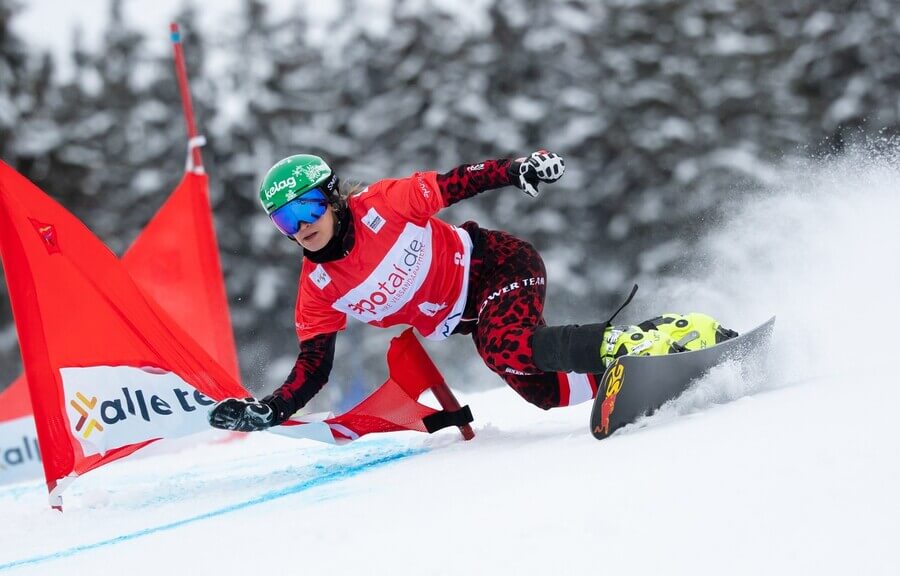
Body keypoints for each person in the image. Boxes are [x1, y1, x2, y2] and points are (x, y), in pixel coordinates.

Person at [208, 152, 737, 432]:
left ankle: (627, 346)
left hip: (497, 264)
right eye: (284, 221)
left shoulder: (382, 205)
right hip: (474, 315)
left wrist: (516, 170)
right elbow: (313, 368)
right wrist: (269, 410)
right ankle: (652, 349)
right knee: (542, 391)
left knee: (505, 345)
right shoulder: (317, 290)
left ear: (332, 197)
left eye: (306, 209)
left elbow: (456, 181)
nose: (300, 227)